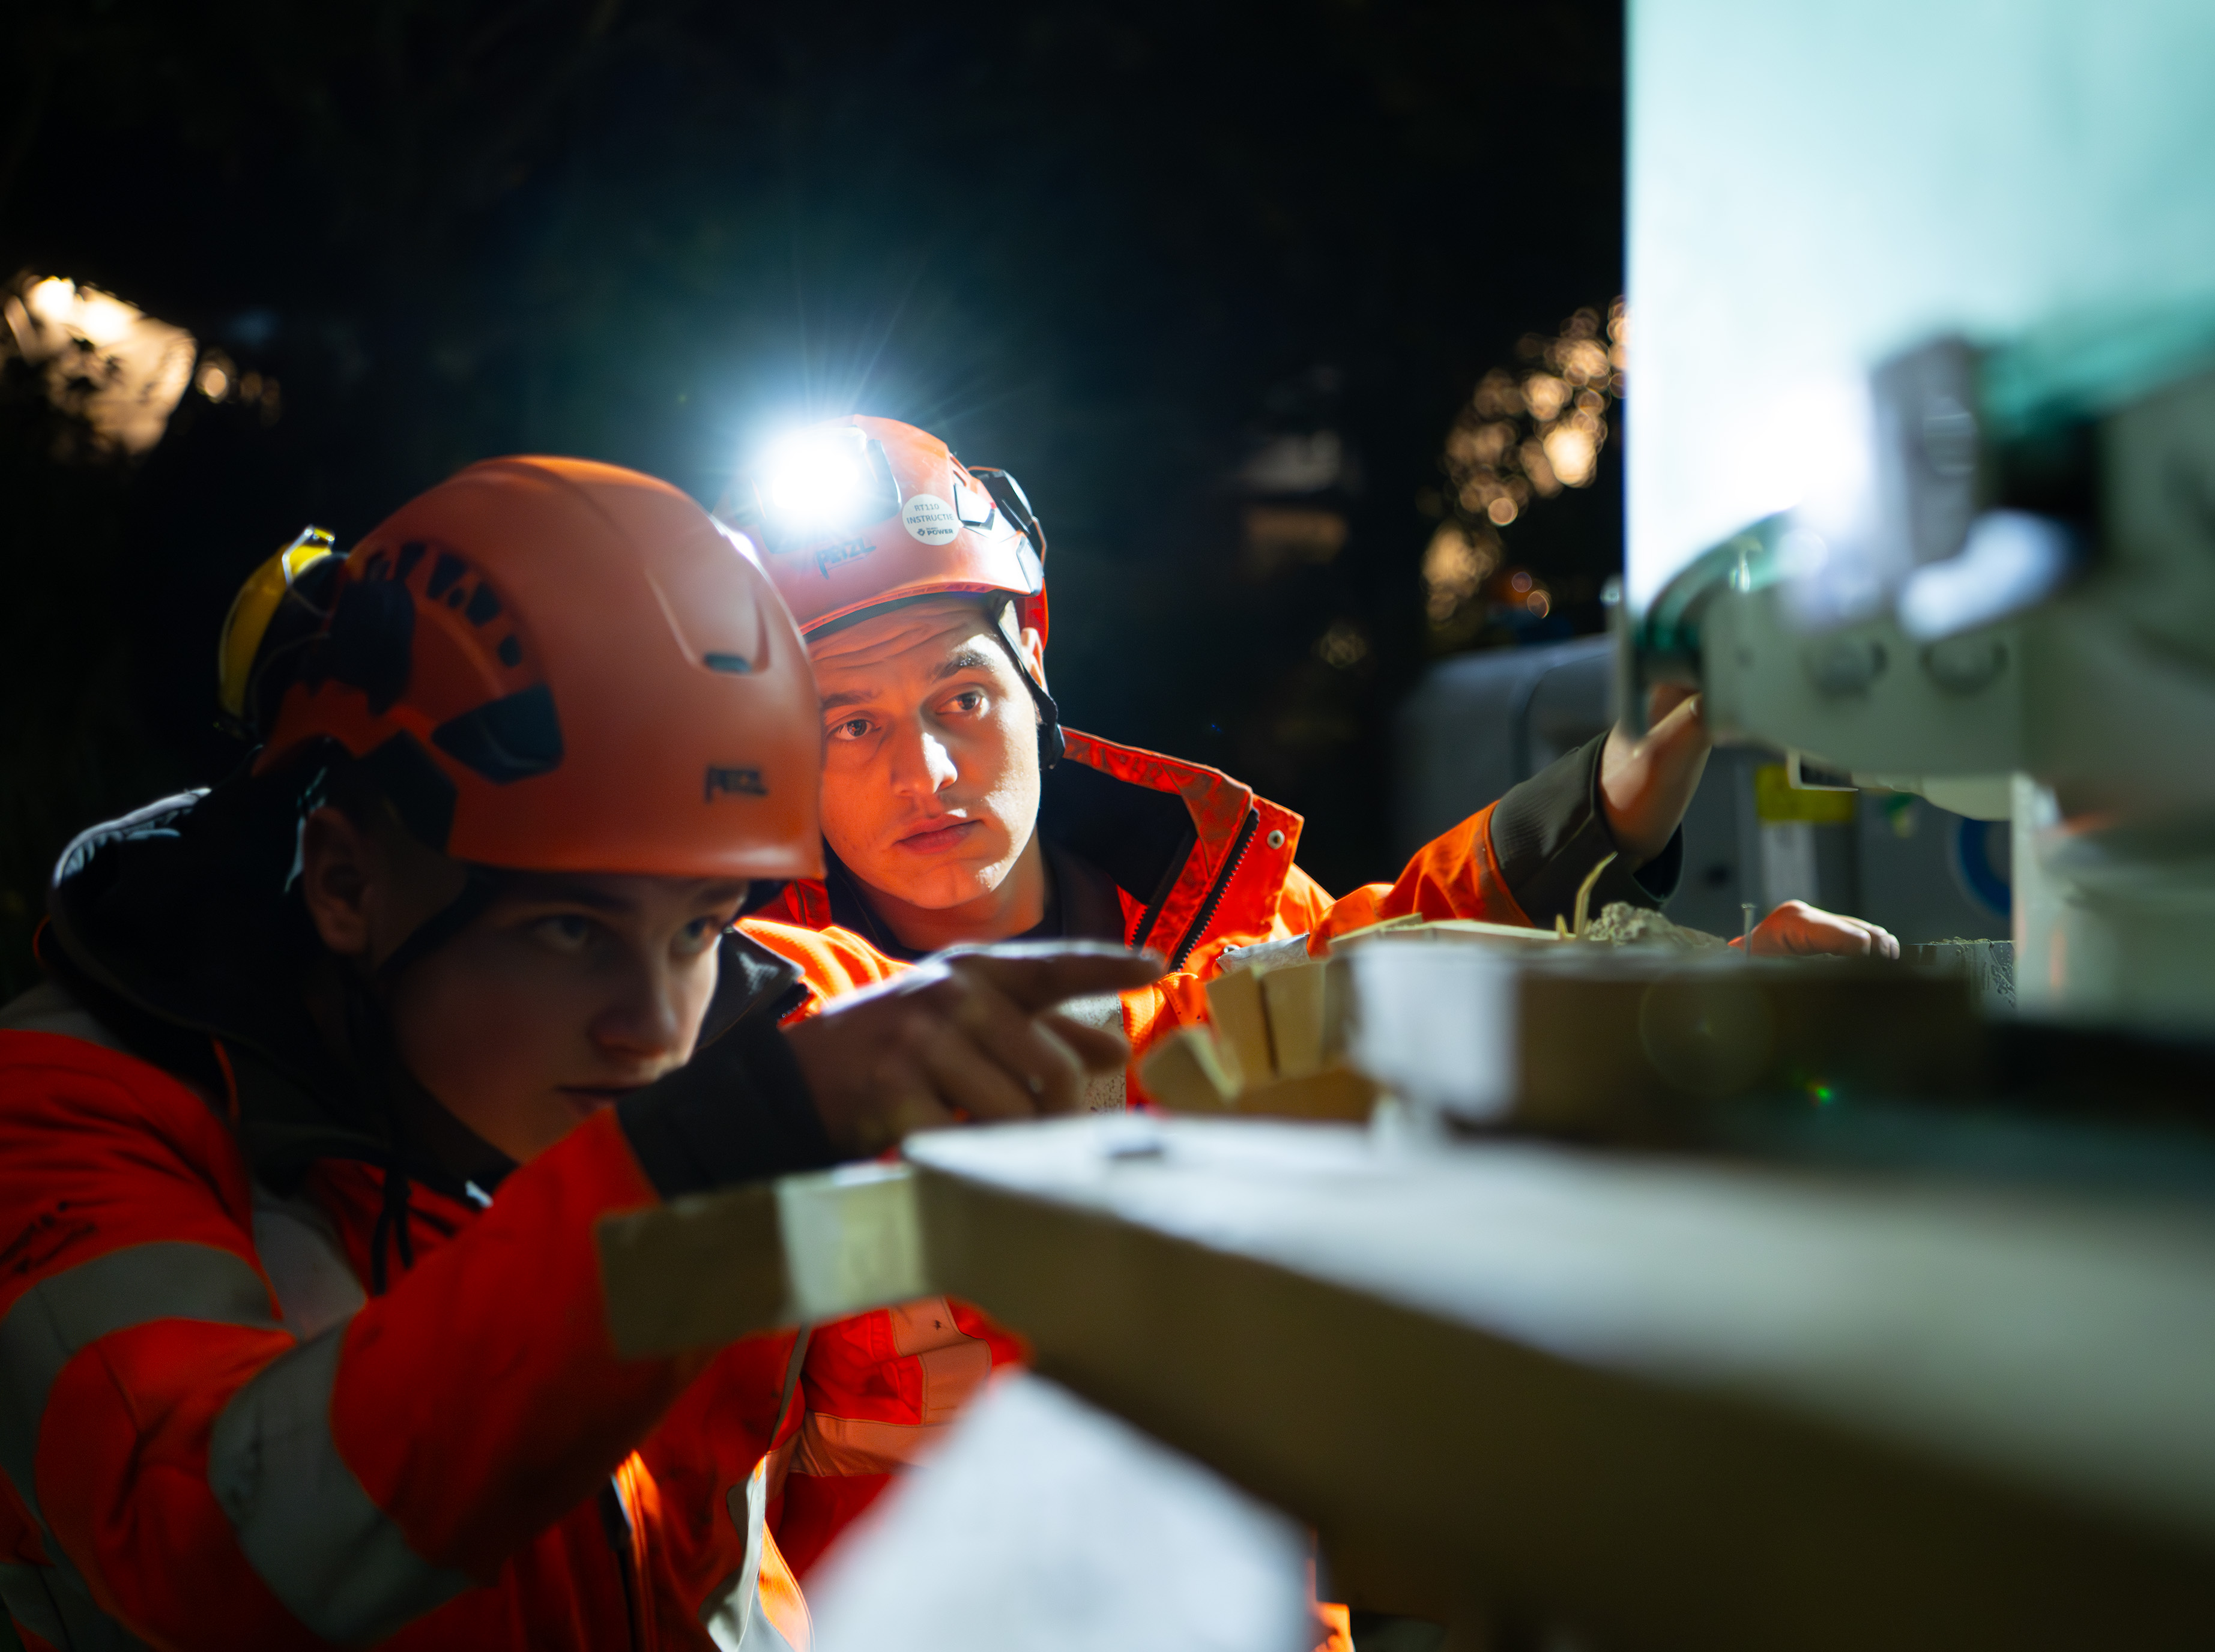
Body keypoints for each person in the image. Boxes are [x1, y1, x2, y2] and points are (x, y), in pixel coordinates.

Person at [0, 457, 1157, 1650]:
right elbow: (214, 1554)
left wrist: (1347, 982)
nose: (656, 1027)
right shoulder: (72, 1117)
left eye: (701, 921)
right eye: (569, 928)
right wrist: (690, 1166)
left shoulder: (742, 1027)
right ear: (350, 879)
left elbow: (1116, 1040)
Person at [712, 416, 1898, 1567]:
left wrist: (1685, 958)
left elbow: (1401, 972)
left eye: (959, 699)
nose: (922, 770)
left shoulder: (1221, 920)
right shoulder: (750, 1005)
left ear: (1032, 663)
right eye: (849, 723)